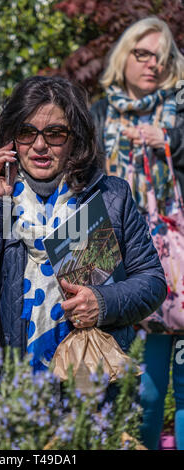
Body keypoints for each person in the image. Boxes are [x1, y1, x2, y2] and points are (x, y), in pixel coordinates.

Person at [0, 75, 166, 402]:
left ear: (75, 138)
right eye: (26, 132)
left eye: (55, 133)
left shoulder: (109, 196)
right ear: (10, 139)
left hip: (89, 381)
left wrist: (103, 303)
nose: (39, 145)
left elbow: (151, 282)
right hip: (9, 387)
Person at [90, 17, 184, 449]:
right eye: (142, 54)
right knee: (139, 392)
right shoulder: (98, 114)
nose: (152, 65)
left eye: (161, 57)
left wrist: (170, 140)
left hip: (177, 262)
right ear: (123, 56)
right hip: (116, 261)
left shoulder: (180, 111)